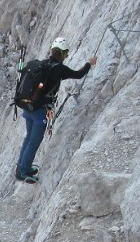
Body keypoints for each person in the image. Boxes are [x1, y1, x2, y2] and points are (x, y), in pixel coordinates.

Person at [15, 37, 97, 184]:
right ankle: (23, 171)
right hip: (40, 111)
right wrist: (89, 64)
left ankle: (21, 166)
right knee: (34, 142)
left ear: (52, 50)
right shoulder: (59, 69)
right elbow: (78, 75)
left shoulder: (41, 64)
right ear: (64, 54)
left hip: (28, 107)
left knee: (28, 138)